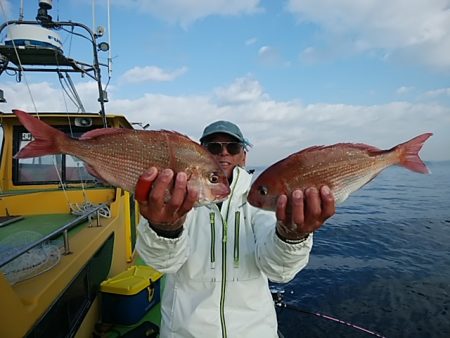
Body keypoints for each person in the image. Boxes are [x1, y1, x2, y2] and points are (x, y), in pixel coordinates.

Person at [135, 121, 336, 338]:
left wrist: (291, 235)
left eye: (233, 147)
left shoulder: (262, 196)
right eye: (213, 147)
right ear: (200, 153)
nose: (223, 153)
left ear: (243, 156)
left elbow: (279, 270)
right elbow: (164, 263)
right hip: (185, 332)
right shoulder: (177, 194)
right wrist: (165, 228)